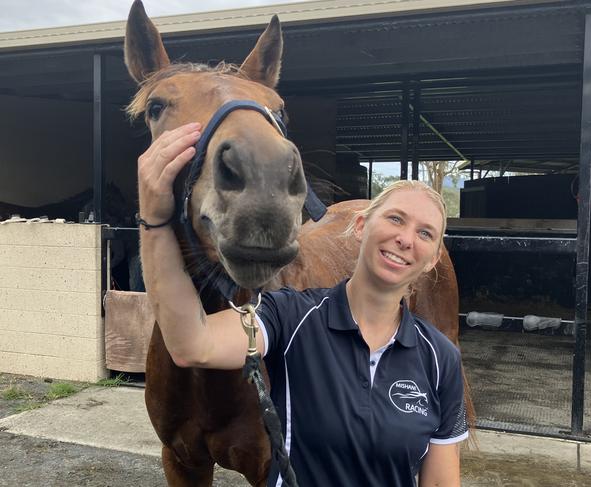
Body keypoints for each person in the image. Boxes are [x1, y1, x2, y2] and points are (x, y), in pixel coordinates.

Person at [137, 122, 468, 486]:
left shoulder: (440, 359)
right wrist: (154, 219)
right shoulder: (290, 316)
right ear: (360, 227)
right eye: (394, 218)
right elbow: (192, 344)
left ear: (434, 258)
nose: (405, 239)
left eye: (425, 233)